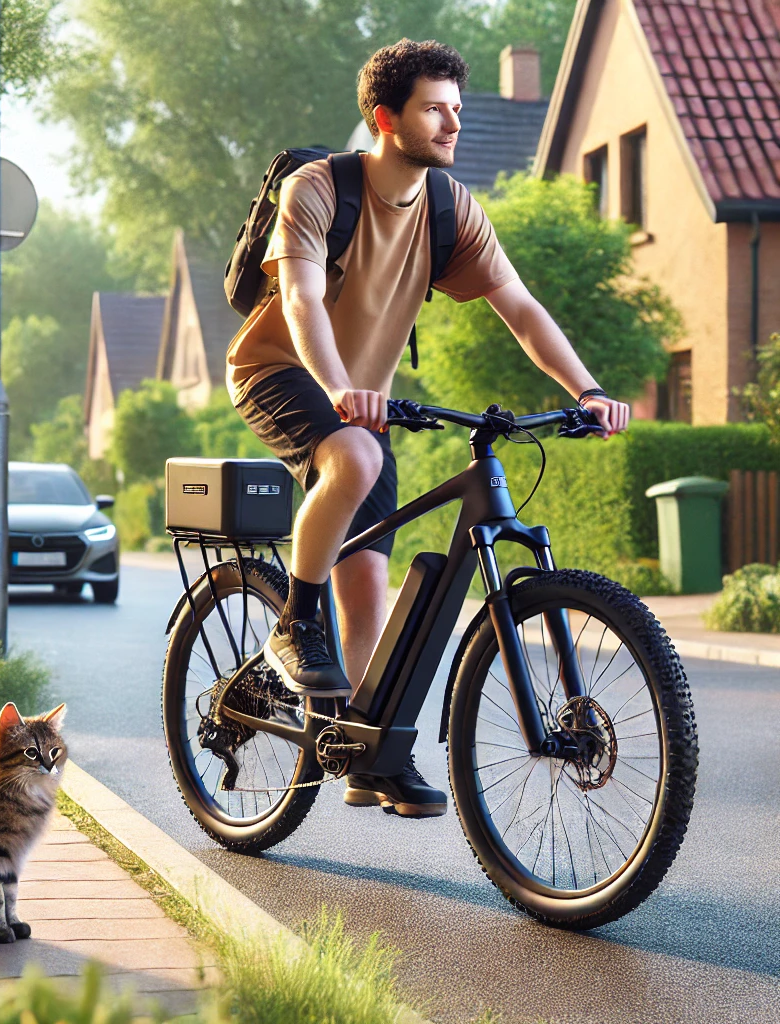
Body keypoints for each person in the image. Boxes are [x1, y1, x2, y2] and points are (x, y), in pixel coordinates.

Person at [225, 38, 631, 817]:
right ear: (385, 117)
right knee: (352, 458)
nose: (452, 125)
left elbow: (520, 306)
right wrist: (341, 388)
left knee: (370, 573)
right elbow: (305, 303)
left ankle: (368, 752)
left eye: (456, 109)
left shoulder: (451, 207)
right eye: (434, 110)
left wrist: (587, 388)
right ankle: (295, 623)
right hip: (283, 371)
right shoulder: (319, 189)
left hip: (360, 396)